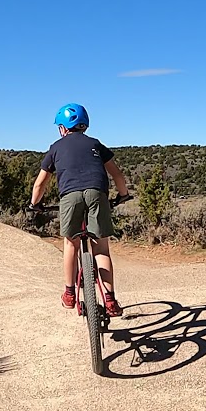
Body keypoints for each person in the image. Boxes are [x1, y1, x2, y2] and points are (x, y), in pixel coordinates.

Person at [29, 103, 130, 317]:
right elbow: (118, 175)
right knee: (101, 248)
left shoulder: (56, 147)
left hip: (70, 196)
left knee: (70, 243)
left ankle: (69, 293)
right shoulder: (95, 144)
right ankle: (110, 300)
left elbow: (40, 184)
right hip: (97, 193)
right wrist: (123, 195)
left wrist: (35, 204)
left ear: (63, 128)